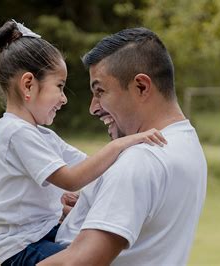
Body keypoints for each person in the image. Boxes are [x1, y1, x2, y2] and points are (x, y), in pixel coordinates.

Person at [0, 20, 167, 266]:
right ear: (28, 85)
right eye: (59, 86)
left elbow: (88, 166)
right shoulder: (15, 133)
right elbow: (71, 178)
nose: (64, 99)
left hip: (42, 236)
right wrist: (122, 143)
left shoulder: (40, 135)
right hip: (21, 248)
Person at [39, 27, 207, 266]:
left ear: (141, 86)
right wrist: (90, 211)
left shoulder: (140, 160)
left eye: (100, 91)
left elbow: (77, 263)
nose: (93, 108)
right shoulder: (186, 143)